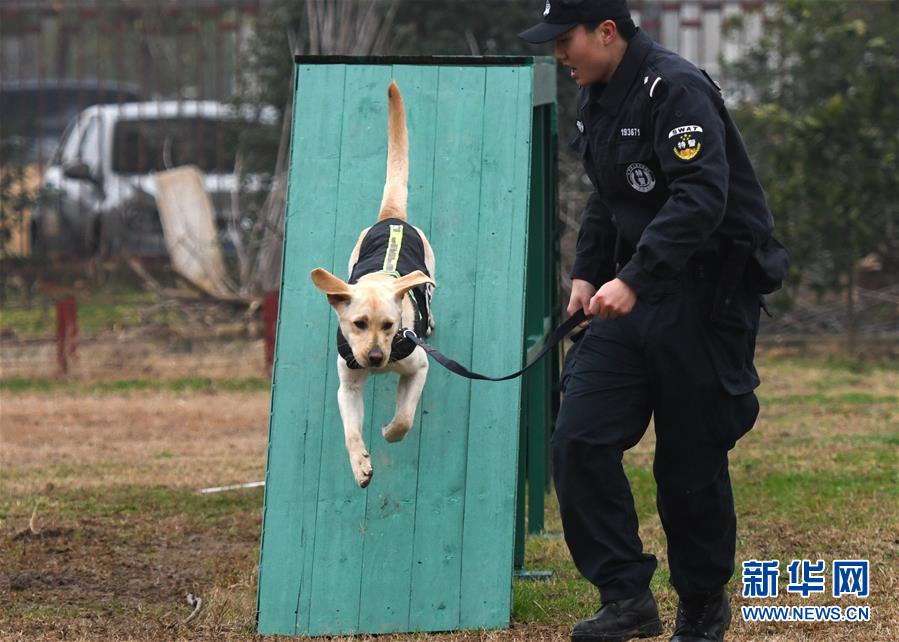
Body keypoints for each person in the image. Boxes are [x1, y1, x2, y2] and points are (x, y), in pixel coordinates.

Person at [519, 2, 789, 642]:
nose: (559, 54)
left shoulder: (676, 88)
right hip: (631, 294)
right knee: (578, 440)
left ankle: (702, 604)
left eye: (565, 40)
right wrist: (588, 274)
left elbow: (701, 196)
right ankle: (625, 597)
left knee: (688, 466)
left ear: (606, 31)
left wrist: (634, 278)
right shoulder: (597, 93)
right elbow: (608, 195)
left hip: (705, 299)